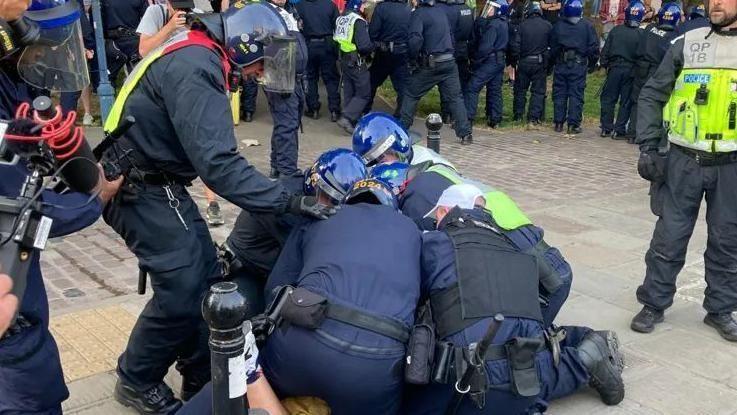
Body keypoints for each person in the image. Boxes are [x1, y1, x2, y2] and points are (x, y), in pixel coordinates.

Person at [100, 4, 334, 412]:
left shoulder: (201, 53)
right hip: (138, 187)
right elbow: (220, 165)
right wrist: (288, 200)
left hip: (156, 181)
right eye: (262, 63)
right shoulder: (197, 67)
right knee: (182, 289)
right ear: (246, 44)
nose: (260, 74)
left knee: (206, 275)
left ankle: (197, 369)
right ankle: (136, 378)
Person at [403, 184, 625, 414]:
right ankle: (583, 359)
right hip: (530, 369)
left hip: (469, 376)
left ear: (442, 212)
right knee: (531, 377)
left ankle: (583, 360)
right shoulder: (513, 242)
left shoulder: (436, 243)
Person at [261, 178, 422, 415]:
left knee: (256, 382)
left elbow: (276, 286)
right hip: (376, 366)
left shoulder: (321, 217)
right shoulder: (413, 231)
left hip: (301, 347)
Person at [631, 0, 737, 342]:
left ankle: (721, 309)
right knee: (670, 236)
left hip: (731, 166)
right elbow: (652, 94)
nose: (715, 3)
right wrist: (649, 145)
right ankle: (654, 303)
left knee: (728, 240)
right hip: (683, 162)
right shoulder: (686, 43)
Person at [224, 148, 367, 318]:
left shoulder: (304, 195)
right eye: (330, 200)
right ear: (315, 184)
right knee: (243, 317)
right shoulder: (289, 204)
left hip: (269, 269)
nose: (330, 208)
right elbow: (304, 261)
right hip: (248, 273)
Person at [135, 0, 226, 226]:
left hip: (190, 87)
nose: (182, 11)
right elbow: (144, 50)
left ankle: (212, 202)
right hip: (162, 89)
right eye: (178, 6)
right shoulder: (156, 13)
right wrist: (170, 28)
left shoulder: (198, 16)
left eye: (185, 6)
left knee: (204, 145)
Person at [401, 0, 473, 144]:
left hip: (430, 64)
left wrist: (412, 59)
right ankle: (465, 134)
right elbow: (451, 35)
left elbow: (415, 40)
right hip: (449, 62)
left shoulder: (419, 14)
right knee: (455, 98)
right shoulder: (441, 12)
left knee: (411, 93)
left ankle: (401, 130)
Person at [264, 0, 308, 179]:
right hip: (281, 72)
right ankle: (287, 171)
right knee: (287, 124)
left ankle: (278, 165)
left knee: (287, 122)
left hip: (293, 75)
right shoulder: (265, 11)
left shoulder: (289, 10)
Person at [626, 2, 680, 141]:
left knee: (637, 101)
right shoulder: (674, 35)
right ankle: (646, 136)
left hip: (641, 67)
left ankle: (632, 133)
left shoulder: (650, 28)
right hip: (657, 70)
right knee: (653, 102)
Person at [549, 0, 599, 134]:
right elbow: (593, 48)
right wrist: (592, 65)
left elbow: (553, 47)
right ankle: (573, 124)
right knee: (576, 94)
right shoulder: (587, 26)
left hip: (561, 63)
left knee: (559, 93)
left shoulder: (558, 25)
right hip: (578, 64)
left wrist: (552, 63)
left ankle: (558, 123)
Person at [598, 0, 644, 139]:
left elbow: (605, 51)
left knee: (608, 98)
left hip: (615, 68)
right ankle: (619, 129)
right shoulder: (641, 34)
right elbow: (642, 55)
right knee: (626, 101)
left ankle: (606, 128)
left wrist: (605, 65)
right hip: (631, 70)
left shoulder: (616, 30)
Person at [464, 0, 509, 129]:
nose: (487, 10)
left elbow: (485, 47)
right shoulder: (503, 23)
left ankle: (468, 118)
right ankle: (495, 119)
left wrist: (476, 61)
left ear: (498, 10)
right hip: (499, 60)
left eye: (491, 8)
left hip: (489, 61)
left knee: (472, 87)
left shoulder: (493, 25)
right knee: (494, 89)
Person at [297, 0, 341, 121]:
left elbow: (297, 27)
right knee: (331, 78)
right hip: (327, 45)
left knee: (310, 78)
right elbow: (337, 26)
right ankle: (334, 110)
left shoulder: (300, 6)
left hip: (308, 45)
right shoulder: (330, 5)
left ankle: (313, 108)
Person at [333, 0, 374, 134]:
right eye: (363, 4)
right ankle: (347, 117)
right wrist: (374, 47)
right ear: (357, 5)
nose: (364, 6)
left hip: (344, 58)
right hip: (357, 61)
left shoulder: (342, 18)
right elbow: (364, 46)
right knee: (364, 93)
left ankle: (351, 121)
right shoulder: (358, 21)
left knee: (350, 90)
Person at [510, 0, 551, 129]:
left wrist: (516, 60)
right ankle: (533, 118)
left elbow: (515, 46)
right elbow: (551, 47)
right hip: (539, 63)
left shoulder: (522, 26)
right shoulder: (548, 26)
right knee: (538, 92)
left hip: (524, 62)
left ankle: (518, 115)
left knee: (520, 90)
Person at [367, 0, 411, 118]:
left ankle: (365, 110)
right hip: (403, 52)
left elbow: (373, 32)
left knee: (371, 82)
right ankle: (401, 116)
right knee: (403, 87)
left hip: (384, 51)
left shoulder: (382, 8)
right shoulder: (408, 8)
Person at [101, 0, 148, 82]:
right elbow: (147, 18)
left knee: (108, 78)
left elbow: (98, 20)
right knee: (137, 78)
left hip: (113, 41)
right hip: (134, 40)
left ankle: (108, 92)